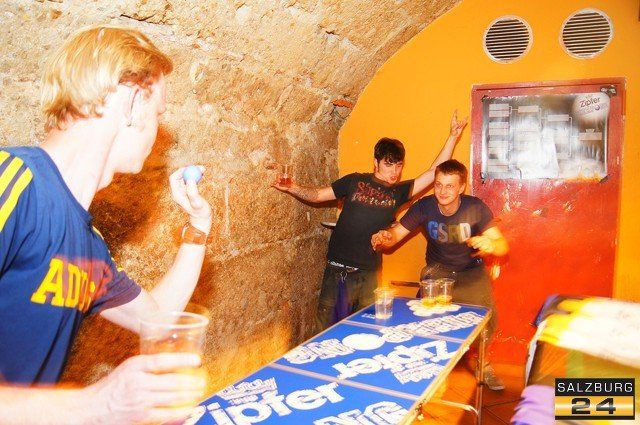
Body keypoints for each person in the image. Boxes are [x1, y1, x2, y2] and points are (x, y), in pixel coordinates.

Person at [0, 25, 213, 423]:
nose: (157, 131)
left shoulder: (87, 243)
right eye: (158, 113)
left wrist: (198, 226)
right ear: (131, 100)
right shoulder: (12, 180)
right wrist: (96, 406)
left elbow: (157, 318)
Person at [272, 112, 468, 332]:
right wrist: (292, 187)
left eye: (398, 166)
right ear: (376, 162)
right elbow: (318, 195)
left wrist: (453, 136)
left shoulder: (399, 192)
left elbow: (433, 172)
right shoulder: (354, 181)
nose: (394, 172)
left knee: (367, 330)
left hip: (369, 275)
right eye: (388, 165)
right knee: (326, 330)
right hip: (337, 271)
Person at [371, 159, 509, 390]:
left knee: (486, 320)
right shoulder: (424, 207)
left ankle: (482, 364)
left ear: (461, 187)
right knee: (422, 320)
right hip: (438, 270)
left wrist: (491, 244)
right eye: (438, 185)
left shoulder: (475, 207)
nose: (443, 191)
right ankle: (425, 369)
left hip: (470, 271)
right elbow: (396, 234)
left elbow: (502, 245)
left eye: (450, 186)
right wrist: (386, 236)